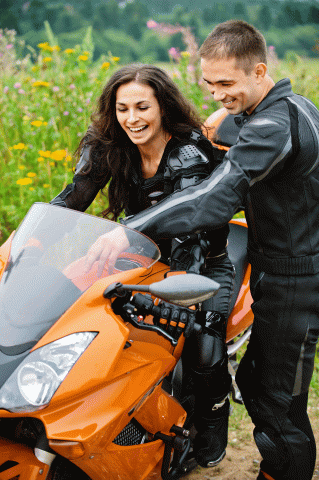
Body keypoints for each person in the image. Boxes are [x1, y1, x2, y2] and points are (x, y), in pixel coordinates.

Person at [122, 22, 319, 480]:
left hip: (297, 279)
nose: (216, 94)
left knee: (279, 406)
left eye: (227, 84)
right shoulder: (295, 107)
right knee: (255, 382)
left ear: (259, 70)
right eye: (208, 84)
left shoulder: (271, 127)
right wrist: (229, 120)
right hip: (281, 268)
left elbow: (212, 199)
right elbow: (259, 136)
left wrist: (129, 229)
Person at [50, 64, 234, 468]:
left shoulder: (189, 152)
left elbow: (191, 228)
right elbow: (74, 197)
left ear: (163, 107)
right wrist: (29, 240)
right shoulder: (107, 145)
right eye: (122, 108)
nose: (132, 119)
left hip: (201, 264)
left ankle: (214, 414)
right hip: (136, 257)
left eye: (142, 107)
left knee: (203, 339)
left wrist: (172, 294)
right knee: (66, 309)